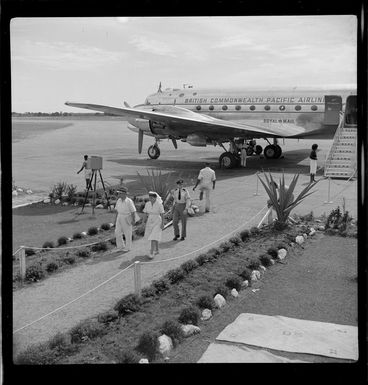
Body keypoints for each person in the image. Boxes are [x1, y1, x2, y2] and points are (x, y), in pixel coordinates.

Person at [113, 186, 137, 252]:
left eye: (120, 193)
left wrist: (133, 220)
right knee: (117, 232)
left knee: (128, 233)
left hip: (127, 217)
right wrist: (115, 220)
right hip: (119, 216)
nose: (118, 194)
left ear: (124, 193)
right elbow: (117, 211)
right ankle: (120, 246)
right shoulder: (118, 200)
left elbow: (133, 211)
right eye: (118, 193)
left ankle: (128, 247)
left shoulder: (129, 201)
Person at [142, 191, 165, 259]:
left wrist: (162, 223)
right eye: (150, 197)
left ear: (155, 198)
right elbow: (145, 213)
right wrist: (143, 222)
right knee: (154, 236)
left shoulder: (159, 204)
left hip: (157, 221)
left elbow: (162, 214)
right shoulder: (147, 204)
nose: (150, 199)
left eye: (152, 198)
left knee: (153, 237)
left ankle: (151, 252)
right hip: (150, 221)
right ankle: (157, 250)